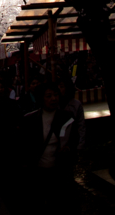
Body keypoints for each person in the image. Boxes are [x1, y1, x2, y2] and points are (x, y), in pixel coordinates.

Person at [17, 83, 74, 214]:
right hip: (37, 172)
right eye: (49, 96)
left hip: (58, 172)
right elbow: (23, 146)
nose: (53, 99)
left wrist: (68, 150)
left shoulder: (67, 118)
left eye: (55, 95)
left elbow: (74, 141)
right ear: (41, 99)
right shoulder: (30, 120)